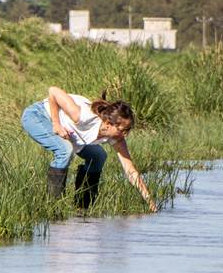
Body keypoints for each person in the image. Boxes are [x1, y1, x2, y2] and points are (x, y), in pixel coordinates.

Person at [21, 86, 157, 212]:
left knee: (98, 156)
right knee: (65, 151)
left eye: (128, 130)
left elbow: (131, 171)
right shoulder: (82, 116)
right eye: (123, 130)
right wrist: (56, 124)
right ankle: (53, 208)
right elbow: (53, 91)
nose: (125, 135)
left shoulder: (116, 138)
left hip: (68, 131)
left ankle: (82, 208)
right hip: (37, 116)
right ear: (108, 124)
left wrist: (150, 202)